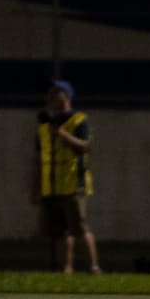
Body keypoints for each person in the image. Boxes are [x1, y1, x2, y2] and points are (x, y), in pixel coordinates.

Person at [31, 80, 100, 274]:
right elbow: (38, 160)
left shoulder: (78, 120)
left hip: (73, 185)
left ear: (68, 96)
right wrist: (35, 188)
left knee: (80, 229)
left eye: (57, 92)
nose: (52, 96)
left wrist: (60, 133)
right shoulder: (44, 127)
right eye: (51, 93)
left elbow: (85, 147)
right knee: (58, 233)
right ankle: (66, 268)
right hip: (51, 187)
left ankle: (94, 267)